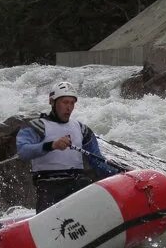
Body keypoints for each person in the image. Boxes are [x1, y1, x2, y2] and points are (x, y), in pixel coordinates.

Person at [15, 80, 116, 211]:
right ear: (52, 102)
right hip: (49, 186)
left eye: (72, 103)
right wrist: (51, 145)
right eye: (65, 102)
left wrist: (121, 174)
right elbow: (23, 151)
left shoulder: (82, 129)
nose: (69, 107)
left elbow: (98, 162)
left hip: (77, 184)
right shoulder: (37, 127)